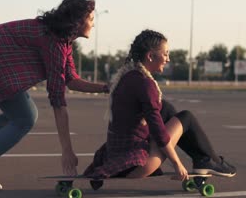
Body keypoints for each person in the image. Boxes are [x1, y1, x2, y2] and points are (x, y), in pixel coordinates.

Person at [0, 0, 110, 191]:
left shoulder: (62, 41)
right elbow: (58, 100)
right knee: (25, 118)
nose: (93, 23)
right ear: (78, 20)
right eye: (91, 18)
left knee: (21, 114)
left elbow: (71, 79)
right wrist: (67, 151)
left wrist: (105, 88)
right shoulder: (55, 43)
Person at [83, 29, 236, 189]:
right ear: (150, 56)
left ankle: (204, 160)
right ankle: (212, 161)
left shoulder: (126, 77)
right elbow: (158, 133)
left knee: (166, 109)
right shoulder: (145, 84)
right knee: (186, 117)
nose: (168, 59)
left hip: (116, 159)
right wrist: (177, 164)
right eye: (166, 54)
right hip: (136, 165)